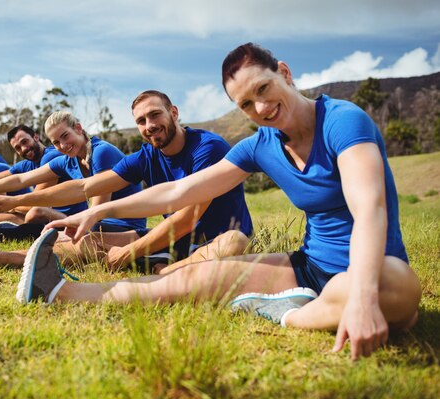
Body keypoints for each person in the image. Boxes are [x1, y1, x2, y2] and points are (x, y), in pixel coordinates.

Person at [22, 43, 421, 360]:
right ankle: (60, 292)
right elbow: (182, 192)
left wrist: (364, 295)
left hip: (375, 271)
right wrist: (102, 209)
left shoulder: (342, 121)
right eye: (246, 104)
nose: (260, 109)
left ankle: (295, 314)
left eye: (263, 89)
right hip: (310, 268)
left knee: (398, 287)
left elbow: (370, 208)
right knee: (189, 280)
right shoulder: (259, 146)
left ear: (284, 72)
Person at [0, 91, 252, 273]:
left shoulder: (207, 147)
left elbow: (188, 218)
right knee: (88, 242)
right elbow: (85, 187)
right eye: (141, 120)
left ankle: (166, 272)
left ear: (173, 113)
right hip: (175, 240)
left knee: (234, 243)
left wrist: (129, 252)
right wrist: (13, 200)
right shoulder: (147, 154)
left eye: (155, 115)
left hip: (212, 239)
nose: (149, 125)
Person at [0, 111, 146, 268]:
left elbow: (96, 212)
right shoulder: (68, 160)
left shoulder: (100, 152)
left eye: (65, 136)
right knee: (53, 237)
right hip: (99, 223)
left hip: (124, 226)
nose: (62, 145)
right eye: (55, 142)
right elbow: (19, 179)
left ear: (78, 128)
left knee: (73, 239)